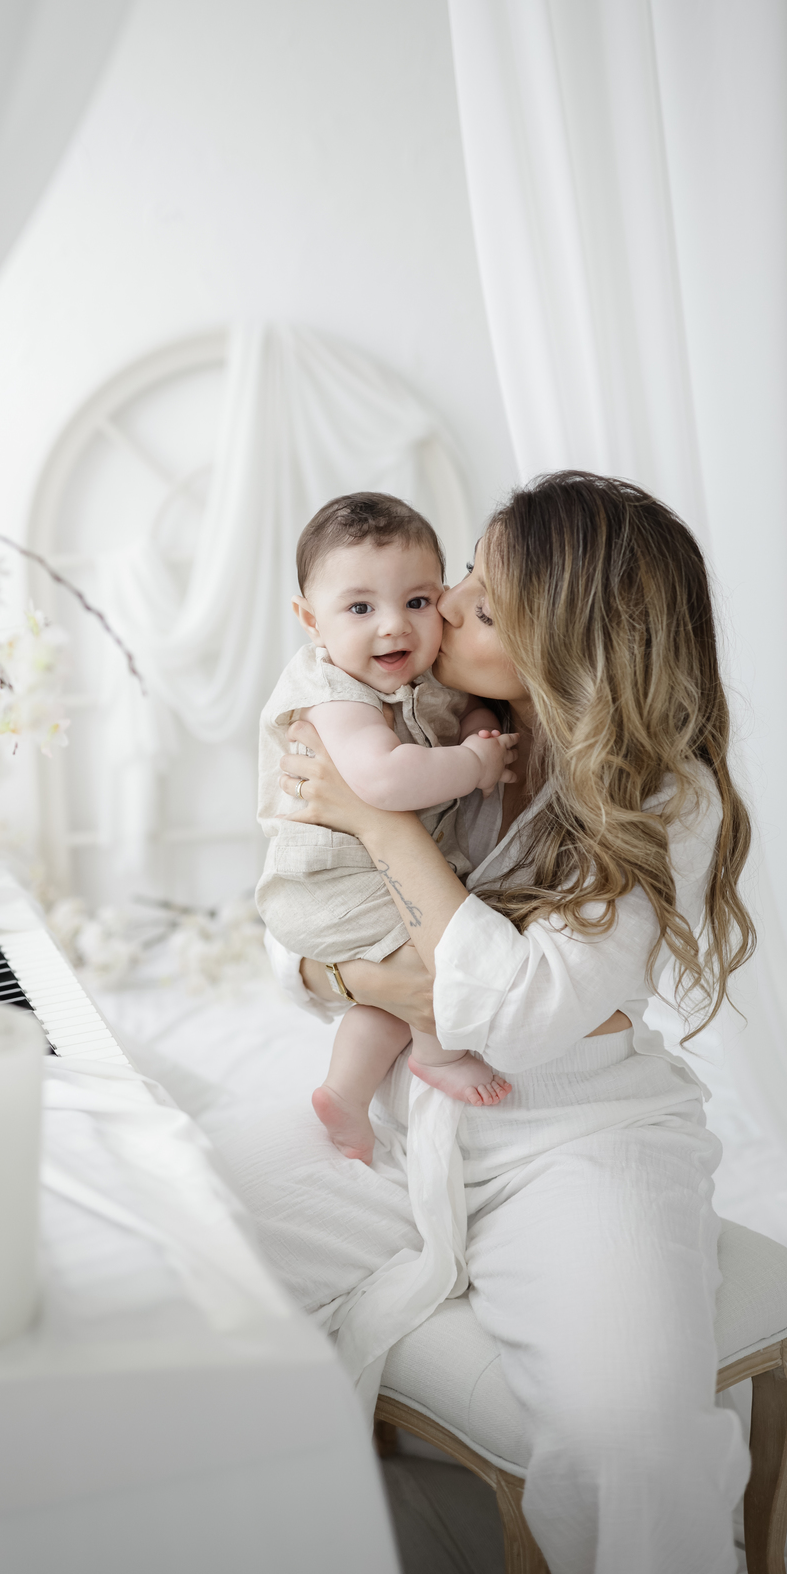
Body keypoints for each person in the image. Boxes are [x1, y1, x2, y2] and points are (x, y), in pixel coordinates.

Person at [223, 471, 758, 1574]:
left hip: (580, 1128)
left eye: (482, 598)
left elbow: (515, 1018)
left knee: (632, 1440)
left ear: (570, 643)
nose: (442, 602)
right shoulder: (415, 718)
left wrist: (382, 823)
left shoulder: (669, 798)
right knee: (181, 1235)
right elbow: (292, 932)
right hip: (415, 1103)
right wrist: (359, 964)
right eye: (462, 570)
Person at [255, 493, 519, 1165]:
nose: (393, 628)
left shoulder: (401, 670)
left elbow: (451, 704)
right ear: (311, 622)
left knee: (400, 966)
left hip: (361, 883)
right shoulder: (332, 696)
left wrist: (467, 723)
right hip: (335, 885)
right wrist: (472, 761)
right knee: (440, 952)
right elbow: (382, 782)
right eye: (360, 608)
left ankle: (345, 1092)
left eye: (418, 602)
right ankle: (438, 1049)